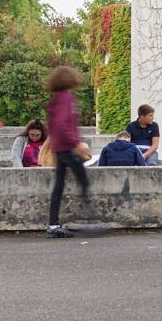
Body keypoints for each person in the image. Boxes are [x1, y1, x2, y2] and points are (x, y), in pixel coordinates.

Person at [46, 65, 92, 238]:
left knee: (59, 187)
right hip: (68, 148)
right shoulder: (67, 98)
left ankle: (53, 225)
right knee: (84, 182)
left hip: (59, 148)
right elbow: (64, 124)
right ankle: (89, 220)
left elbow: (54, 125)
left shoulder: (55, 99)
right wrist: (76, 144)